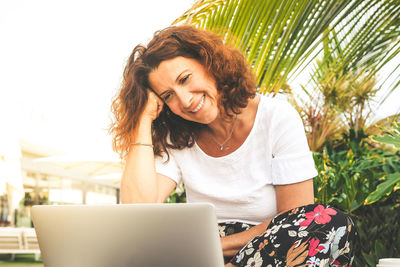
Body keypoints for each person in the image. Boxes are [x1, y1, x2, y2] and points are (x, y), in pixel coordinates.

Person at [110, 25, 356, 266]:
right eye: (168, 96)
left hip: (270, 248)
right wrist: (142, 118)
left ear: (210, 63)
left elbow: (297, 221)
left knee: (330, 223)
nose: (184, 100)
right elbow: (137, 212)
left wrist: (214, 246)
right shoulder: (175, 137)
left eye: (185, 79)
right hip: (200, 253)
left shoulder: (277, 117)